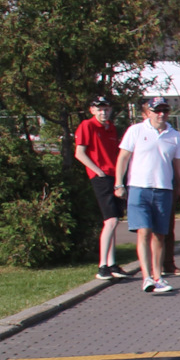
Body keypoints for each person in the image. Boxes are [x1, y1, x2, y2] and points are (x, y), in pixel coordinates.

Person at [115, 98, 180, 294]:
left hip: (163, 190)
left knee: (160, 235)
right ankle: (147, 277)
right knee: (143, 232)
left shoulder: (174, 136)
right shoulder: (136, 131)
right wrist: (119, 183)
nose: (161, 114)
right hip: (139, 188)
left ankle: (159, 277)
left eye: (165, 111)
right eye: (157, 111)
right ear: (147, 113)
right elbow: (123, 157)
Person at [73, 99, 126, 279]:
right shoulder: (87, 126)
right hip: (101, 177)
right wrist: (97, 171)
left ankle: (112, 264)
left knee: (114, 220)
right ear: (92, 110)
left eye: (106, 108)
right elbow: (79, 153)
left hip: (114, 176)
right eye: (100, 109)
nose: (103, 112)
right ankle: (102, 266)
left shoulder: (111, 128)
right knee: (110, 220)